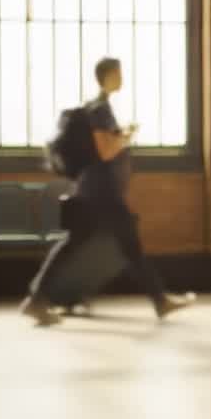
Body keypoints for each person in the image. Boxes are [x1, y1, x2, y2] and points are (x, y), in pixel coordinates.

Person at [21, 57, 194, 325]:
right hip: (102, 192)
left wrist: (121, 134)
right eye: (118, 73)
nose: (121, 78)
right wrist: (127, 136)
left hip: (93, 189)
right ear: (108, 76)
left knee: (75, 244)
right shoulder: (101, 109)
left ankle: (36, 299)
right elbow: (105, 150)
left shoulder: (96, 108)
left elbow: (101, 143)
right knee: (129, 246)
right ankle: (160, 300)